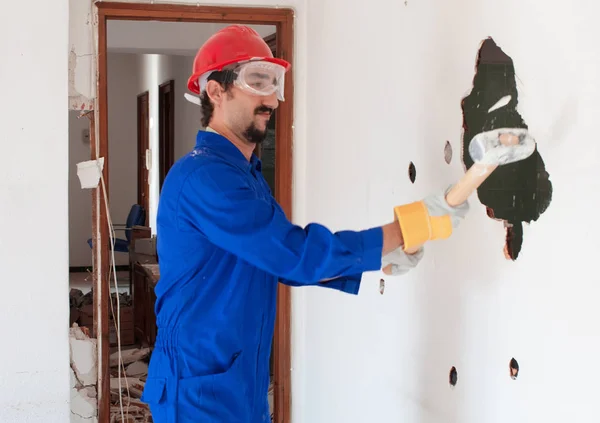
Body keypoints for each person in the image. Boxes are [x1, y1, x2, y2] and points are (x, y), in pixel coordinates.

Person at [140, 25, 469, 422]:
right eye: (257, 81)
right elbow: (292, 254)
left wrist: (382, 257)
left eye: (275, 83)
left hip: (234, 381)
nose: (272, 99)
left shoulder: (245, 174)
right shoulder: (206, 178)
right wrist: (407, 228)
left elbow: (277, 259)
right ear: (215, 90)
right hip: (196, 392)